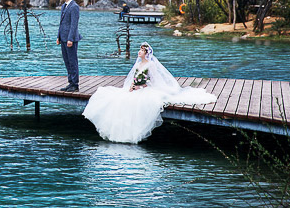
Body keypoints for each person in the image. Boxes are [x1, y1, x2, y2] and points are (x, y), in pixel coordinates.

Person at [82, 42, 216, 143]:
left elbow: (154, 81)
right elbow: (133, 78)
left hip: (145, 90)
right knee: (114, 98)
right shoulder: (138, 64)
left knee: (139, 102)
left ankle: (133, 132)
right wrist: (132, 86)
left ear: (147, 53)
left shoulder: (150, 65)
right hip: (135, 89)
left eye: (141, 50)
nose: (139, 52)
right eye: (139, 50)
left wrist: (140, 87)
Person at [56, 0, 82, 92]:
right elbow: (62, 23)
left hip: (70, 39)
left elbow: (73, 24)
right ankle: (70, 82)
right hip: (63, 37)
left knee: (72, 61)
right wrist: (58, 36)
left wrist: (70, 39)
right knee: (67, 61)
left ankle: (75, 84)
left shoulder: (74, 6)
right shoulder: (64, 6)